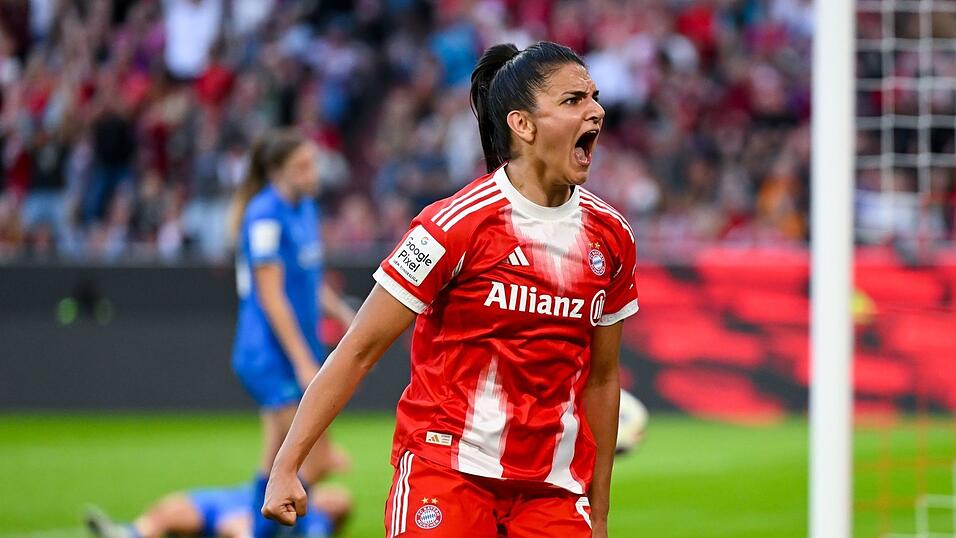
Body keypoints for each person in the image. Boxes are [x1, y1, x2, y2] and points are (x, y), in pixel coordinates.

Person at [263, 42, 639, 538]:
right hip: (447, 473)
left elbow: (602, 379)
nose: (596, 110)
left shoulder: (611, 236)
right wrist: (287, 464)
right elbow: (359, 348)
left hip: (552, 491)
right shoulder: (448, 226)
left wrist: (600, 514)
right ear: (522, 125)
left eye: (594, 97)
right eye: (573, 101)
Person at [230, 130, 355, 537]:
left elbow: (309, 279)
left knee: (276, 459)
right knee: (313, 460)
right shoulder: (264, 215)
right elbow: (271, 297)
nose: (313, 172)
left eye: (313, 162)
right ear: (277, 172)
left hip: (294, 351)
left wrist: (344, 313)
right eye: (303, 166)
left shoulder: (303, 209)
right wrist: (304, 361)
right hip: (269, 355)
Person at [84, 483, 352, 538]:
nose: (334, 498)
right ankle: (128, 534)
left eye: (336, 504)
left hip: (246, 516)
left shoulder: (317, 523)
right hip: (227, 500)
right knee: (168, 510)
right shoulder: (309, 501)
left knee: (236, 527)